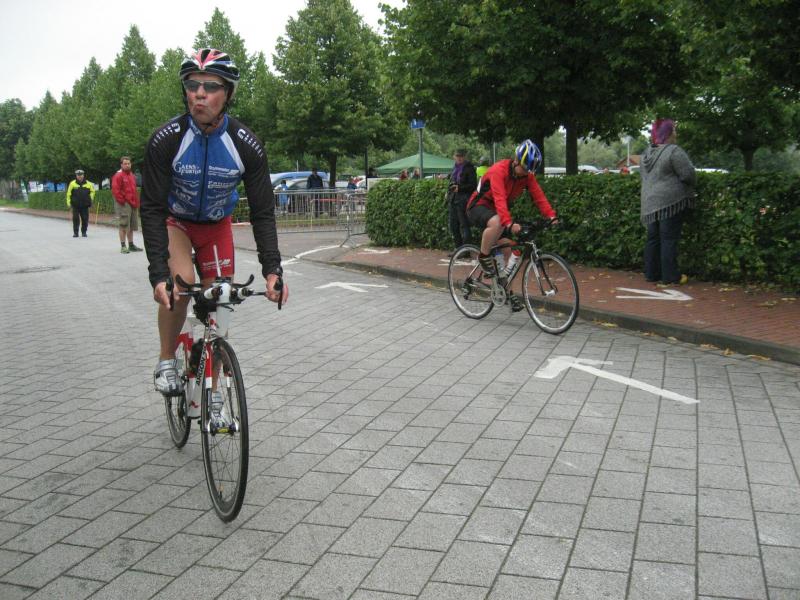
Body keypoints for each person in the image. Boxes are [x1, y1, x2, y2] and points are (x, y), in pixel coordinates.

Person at [140, 48, 288, 428]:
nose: (199, 94)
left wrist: (273, 270)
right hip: (176, 222)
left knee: (220, 302)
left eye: (210, 86)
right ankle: (166, 360)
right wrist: (158, 274)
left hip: (216, 226)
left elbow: (262, 212)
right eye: (192, 85)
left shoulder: (245, 145)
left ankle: (216, 393)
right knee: (181, 285)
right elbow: (151, 209)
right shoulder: (166, 140)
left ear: (228, 94)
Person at [466, 139, 558, 310]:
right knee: (498, 222)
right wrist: (508, 223)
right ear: (516, 161)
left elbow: (539, 196)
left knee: (509, 251)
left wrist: (551, 215)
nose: (526, 173)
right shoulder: (498, 171)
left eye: (529, 170)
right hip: (478, 206)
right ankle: (484, 256)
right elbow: (499, 198)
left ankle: (507, 292)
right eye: (524, 168)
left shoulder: (527, 176)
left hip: (497, 212)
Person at [640, 118, 695, 285]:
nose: (676, 134)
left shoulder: (646, 154)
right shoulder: (673, 151)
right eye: (674, 130)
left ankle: (652, 274)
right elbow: (688, 174)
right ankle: (670, 276)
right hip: (671, 202)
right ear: (668, 133)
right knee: (669, 239)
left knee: (653, 239)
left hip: (650, 203)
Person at [447, 149, 478, 252]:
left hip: (463, 200)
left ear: (464, 157)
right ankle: (458, 249)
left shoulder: (469, 168)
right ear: (454, 157)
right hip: (453, 199)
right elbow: (452, 182)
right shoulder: (454, 168)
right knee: (453, 225)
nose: (459, 158)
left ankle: (465, 250)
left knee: (464, 225)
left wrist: (460, 188)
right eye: (457, 156)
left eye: (461, 156)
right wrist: (448, 191)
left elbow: (473, 185)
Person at [111, 156, 143, 253]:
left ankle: (131, 245)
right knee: (124, 224)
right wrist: (123, 202)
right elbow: (116, 191)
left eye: (129, 163)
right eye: (125, 164)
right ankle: (123, 246)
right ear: (121, 165)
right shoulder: (118, 175)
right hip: (124, 204)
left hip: (132, 203)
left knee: (132, 225)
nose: (127, 165)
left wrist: (136, 202)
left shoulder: (132, 175)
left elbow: (134, 190)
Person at [65, 169, 95, 238]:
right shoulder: (72, 183)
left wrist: (90, 199)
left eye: (81, 175)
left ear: (83, 175)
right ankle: (76, 233)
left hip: (85, 205)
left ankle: (84, 232)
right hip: (75, 205)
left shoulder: (89, 184)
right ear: (76, 176)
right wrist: (68, 203)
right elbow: (68, 194)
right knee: (75, 219)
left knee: (85, 219)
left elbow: (92, 192)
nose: (79, 176)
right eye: (78, 175)